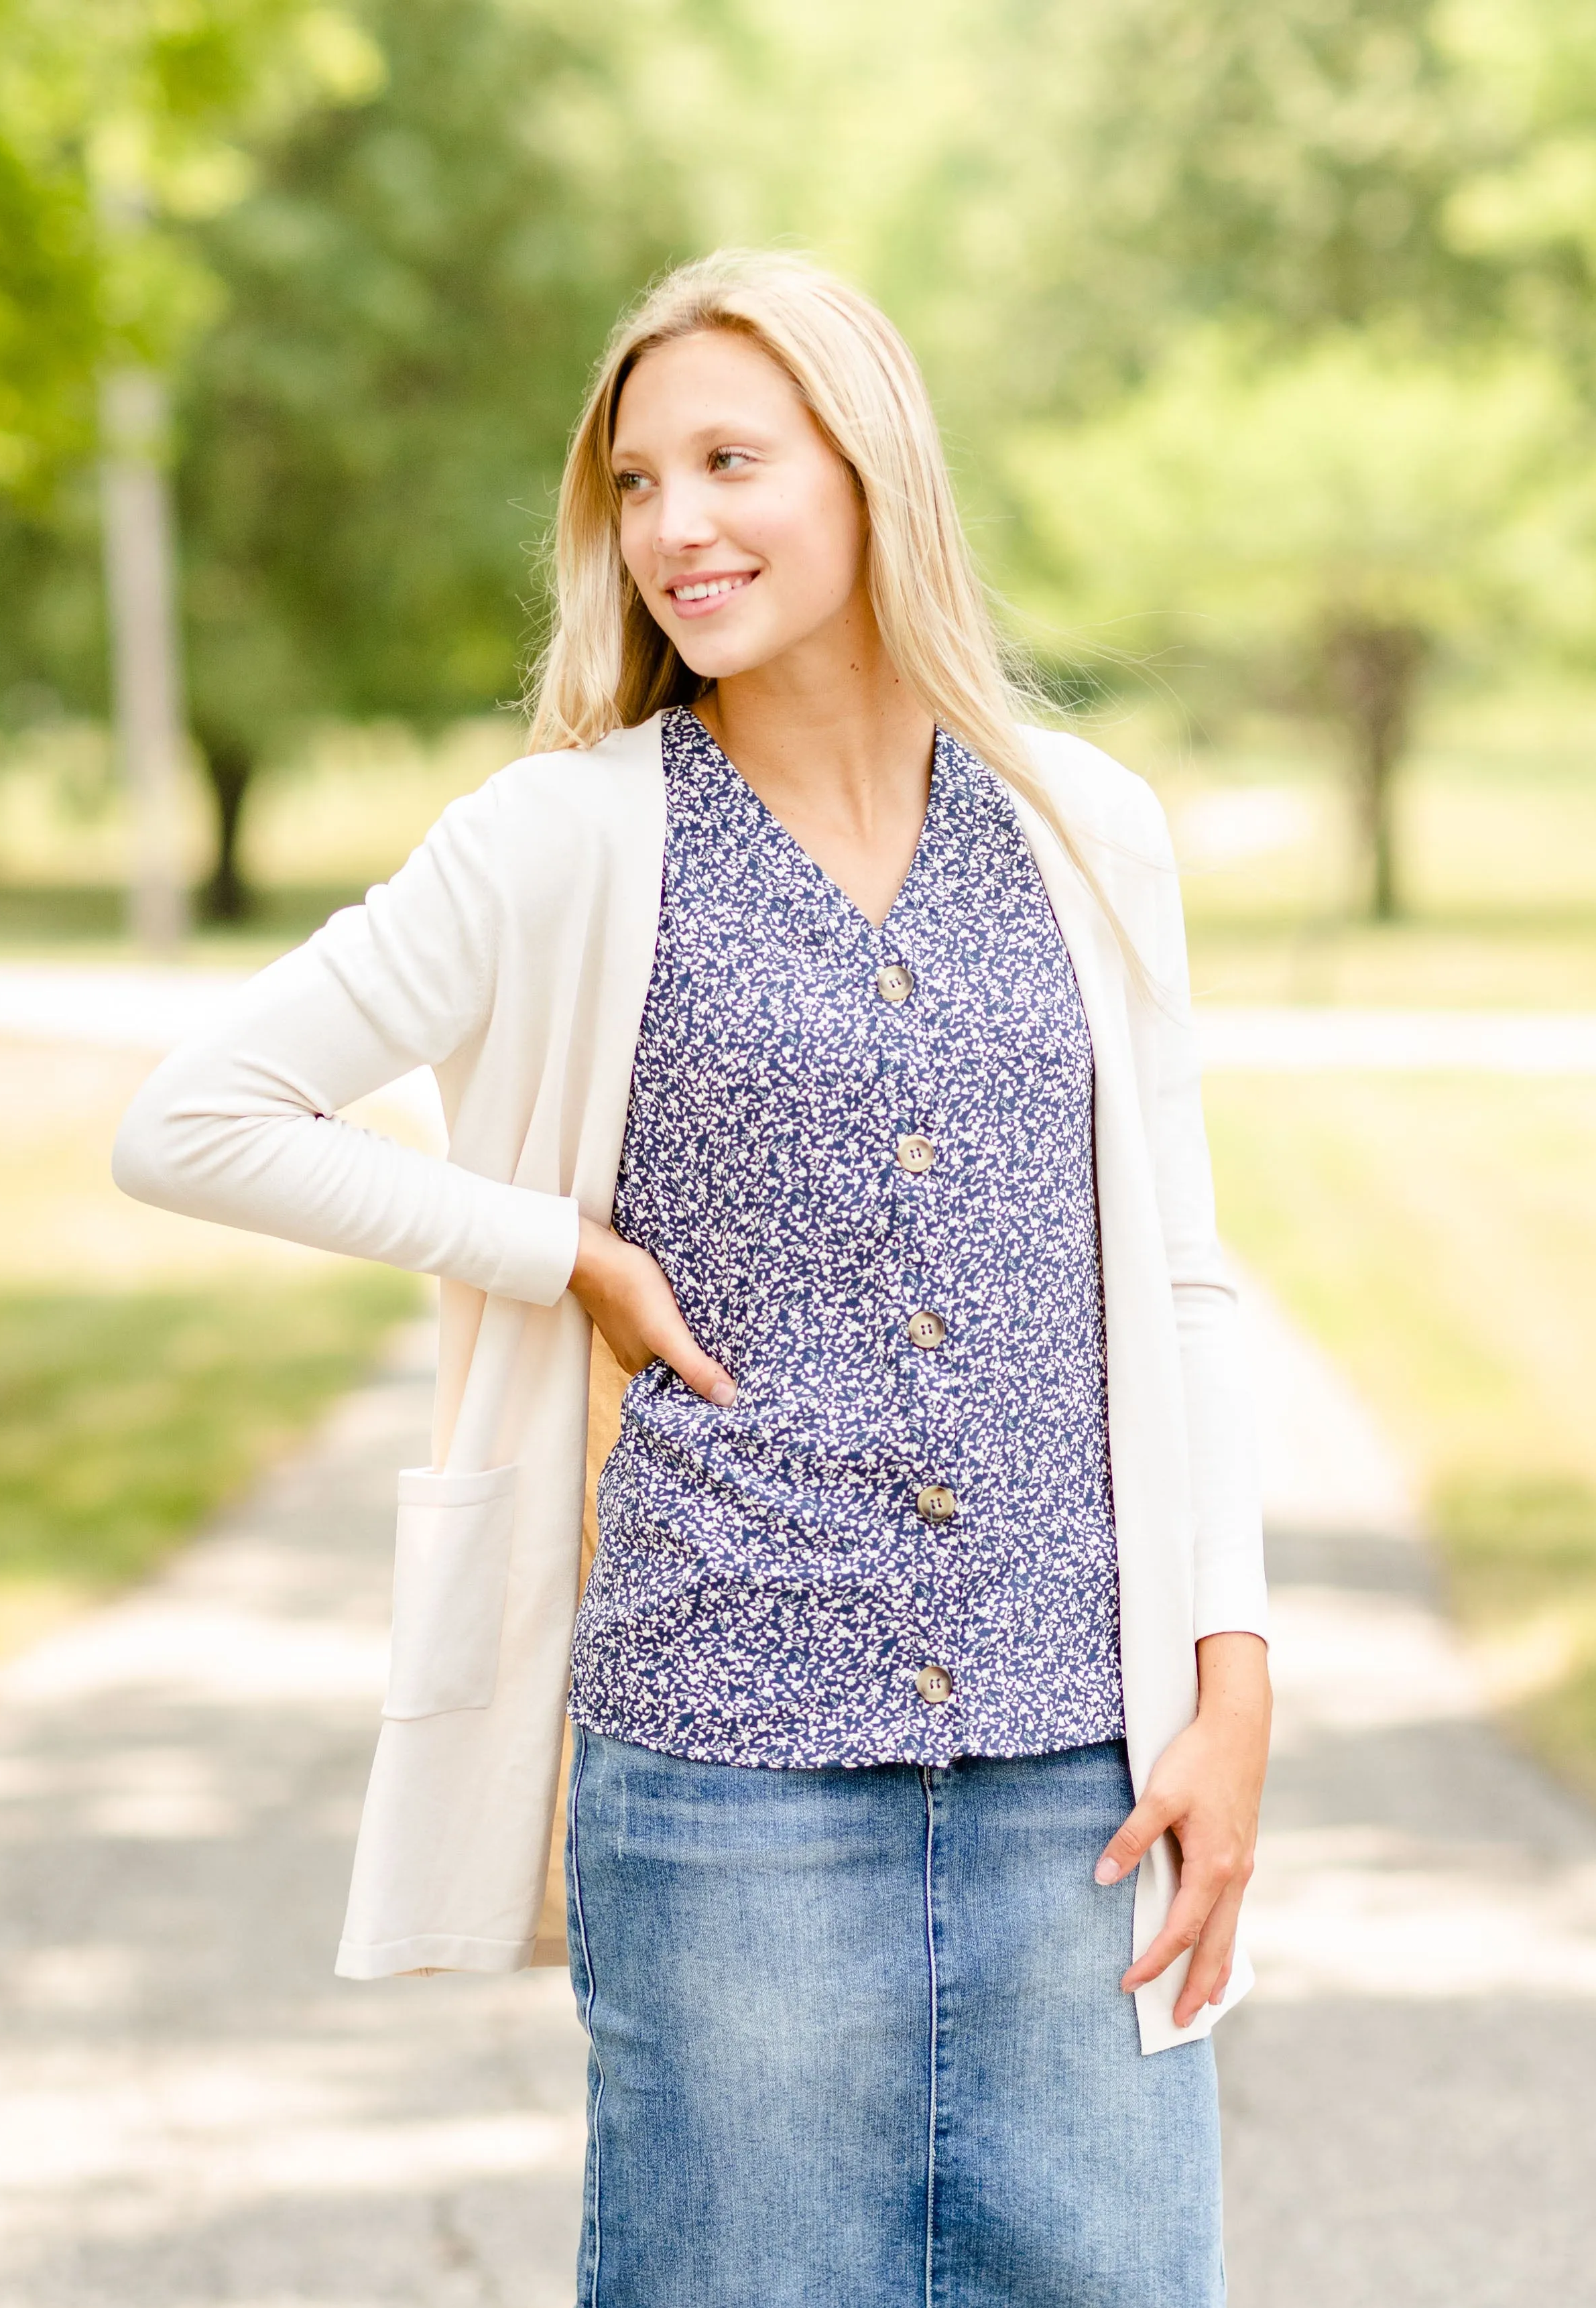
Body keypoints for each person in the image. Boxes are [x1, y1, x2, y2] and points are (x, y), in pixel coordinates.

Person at [115, 248, 1270, 2308]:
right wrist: (547, 1244)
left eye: (730, 460)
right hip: (727, 1786)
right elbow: (195, 1115)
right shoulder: (564, 840)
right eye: (637, 483)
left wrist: (1232, 1676)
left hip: (1074, 1782)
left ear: (869, 472)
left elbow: (1179, 1271)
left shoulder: (1089, 828)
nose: (675, 527)